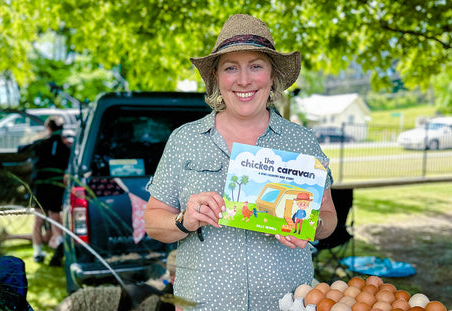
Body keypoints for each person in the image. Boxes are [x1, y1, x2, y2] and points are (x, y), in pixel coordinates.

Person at [143, 14, 337, 310]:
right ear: (217, 78)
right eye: (231, 68)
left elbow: (329, 219)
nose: (243, 80)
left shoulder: (301, 141)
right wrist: (184, 220)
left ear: (272, 77)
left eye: (255, 66)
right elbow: (153, 221)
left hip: (285, 302)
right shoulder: (184, 139)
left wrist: (310, 225)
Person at [20, 116, 70, 265]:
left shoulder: (41, 143)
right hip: (56, 185)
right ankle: (60, 243)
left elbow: (21, 149)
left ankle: (38, 252)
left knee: (38, 219)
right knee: (55, 216)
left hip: (41, 185)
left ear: (48, 128)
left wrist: (39, 138)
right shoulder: (66, 146)